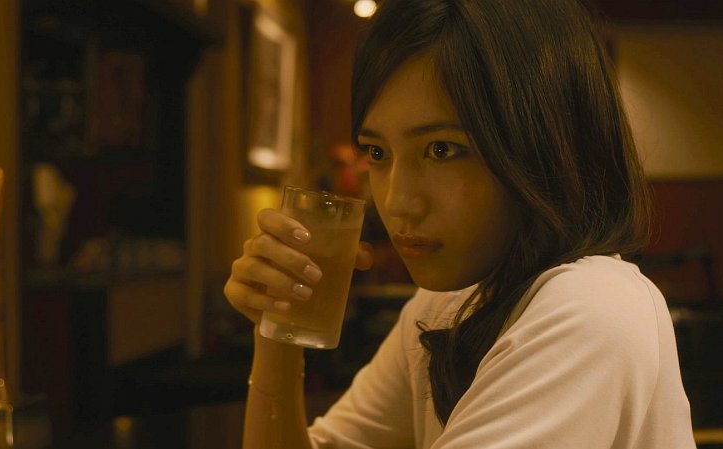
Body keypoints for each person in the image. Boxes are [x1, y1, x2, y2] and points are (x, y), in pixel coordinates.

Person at [224, 0, 697, 447]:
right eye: (377, 152)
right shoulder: (449, 302)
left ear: (541, 145)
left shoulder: (590, 306)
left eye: (441, 150)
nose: (397, 202)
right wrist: (278, 330)